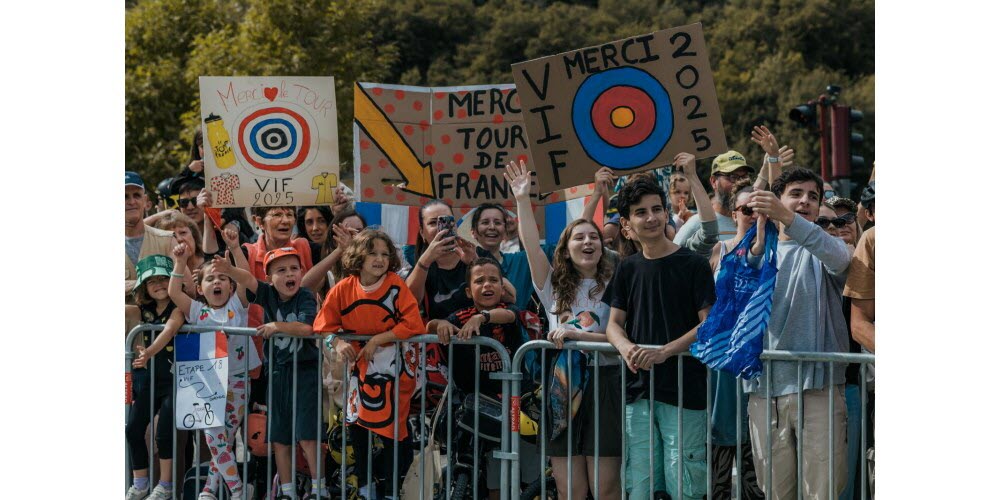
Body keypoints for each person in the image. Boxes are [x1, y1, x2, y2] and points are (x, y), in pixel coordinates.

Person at [505, 159, 622, 499]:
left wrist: (579, 336)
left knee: (605, 488)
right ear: (566, 251)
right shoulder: (553, 286)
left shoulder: (618, 283)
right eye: (579, 238)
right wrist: (522, 200)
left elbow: (623, 341)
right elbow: (529, 244)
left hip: (605, 386)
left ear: (602, 247)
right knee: (571, 489)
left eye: (594, 238)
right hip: (562, 388)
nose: (588, 243)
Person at [602, 154, 716, 499]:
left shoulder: (693, 264)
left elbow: (708, 324)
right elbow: (613, 325)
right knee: (640, 481)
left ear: (666, 213)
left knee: (685, 480)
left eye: (656, 209)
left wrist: (666, 352)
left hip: (685, 390)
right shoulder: (627, 268)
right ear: (626, 225)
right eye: (640, 212)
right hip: (638, 392)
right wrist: (626, 348)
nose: (650, 218)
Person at [743, 166, 852, 500]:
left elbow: (841, 259)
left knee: (822, 492)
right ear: (777, 200)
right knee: (776, 493)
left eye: (813, 197)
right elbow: (727, 285)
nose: (805, 201)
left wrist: (789, 220)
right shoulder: (756, 253)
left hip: (819, 389)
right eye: (796, 194)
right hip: (765, 392)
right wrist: (755, 247)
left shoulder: (827, 249)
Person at [138, 230, 263, 499]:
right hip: (208, 386)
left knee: (224, 441)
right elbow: (174, 292)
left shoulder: (237, 306)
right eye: (210, 278)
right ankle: (237, 491)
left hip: (237, 384)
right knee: (214, 438)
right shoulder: (197, 310)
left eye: (222, 278)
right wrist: (180, 263)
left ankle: (213, 487)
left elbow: (245, 276)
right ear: (200, 287)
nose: (216, 282)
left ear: (230, 286)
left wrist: (234, 249)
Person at [313, 228, 424, 499]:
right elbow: (322, 329)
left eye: (385, 254)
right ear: (358, 256)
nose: (379, 259)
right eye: (372, 252)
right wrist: (337, 343)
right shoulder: (343, 289)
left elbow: (413, 323)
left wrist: (378, 339)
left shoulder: (396, 286)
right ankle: (365, 487)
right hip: (359, 369)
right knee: (357, 426)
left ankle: (394, 490)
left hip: (394, 368)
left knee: (393, 430)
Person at [217, 246, 329, 500]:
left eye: (294, 268)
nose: (289, 274)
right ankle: (286, 492)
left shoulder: (305, 296)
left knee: (308, 435)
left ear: (301, 272)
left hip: (304, 371)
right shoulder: (267, 294)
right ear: (269, 278)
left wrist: (277, 325)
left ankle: (319, 490)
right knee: (279, 436)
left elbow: (306, 327)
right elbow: (248, 280)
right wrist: (230, 270)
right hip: (277, 372)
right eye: (281, 270)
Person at [426, 257, 527, 499]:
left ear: (503, 288)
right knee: (494, 478)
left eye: (494, 280)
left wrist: (483, 317)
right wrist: (439, 324)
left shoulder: (508, 310)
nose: (487, 285)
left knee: (521, 471)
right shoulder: (459, 317)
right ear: (469, 291)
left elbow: (510, 316)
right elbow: (429, 325)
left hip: (515, 404)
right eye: (479, 281)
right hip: (477, 407)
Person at [704, 177, 766, 500]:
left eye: (759, 208)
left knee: (756, 475)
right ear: (733, 212)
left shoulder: (773, 251)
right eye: (746, 209)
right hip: (723, 371)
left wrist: (771, 163)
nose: (753, 215)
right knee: (718, 477)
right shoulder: (719, 250)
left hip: (760, 366)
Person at [125, 255, 187, 500]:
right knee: (133, 429)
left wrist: (149, 352)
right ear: (144, 288)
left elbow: (171, 329)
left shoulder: (179, 307)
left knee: (163, 432)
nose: (160, 285)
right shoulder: (143, 310)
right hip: (150, 381)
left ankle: (165, 485)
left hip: (174, 380)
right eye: (153, 281)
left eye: (164, 279)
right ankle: (140, 483)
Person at [470, 203, 554, 312]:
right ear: (473, 232)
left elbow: (567, 244)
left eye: (498, 223)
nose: (492, 227)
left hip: (517, 327)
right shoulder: (464, 264)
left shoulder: (521, 261)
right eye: (485, 222)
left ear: (505, 231)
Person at [126, 171, 175, 300]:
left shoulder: (168, 240)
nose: (131, 201)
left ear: (145, 200)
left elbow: (187, 288)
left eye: (136, 195)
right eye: (124, 196)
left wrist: (135, 284)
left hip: (165, 319)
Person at [155, 212, 205, 299]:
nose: (179, 239)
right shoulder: (162, 274)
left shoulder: (213, 262)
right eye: (171, 236)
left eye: (183, 233)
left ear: (194, 236)